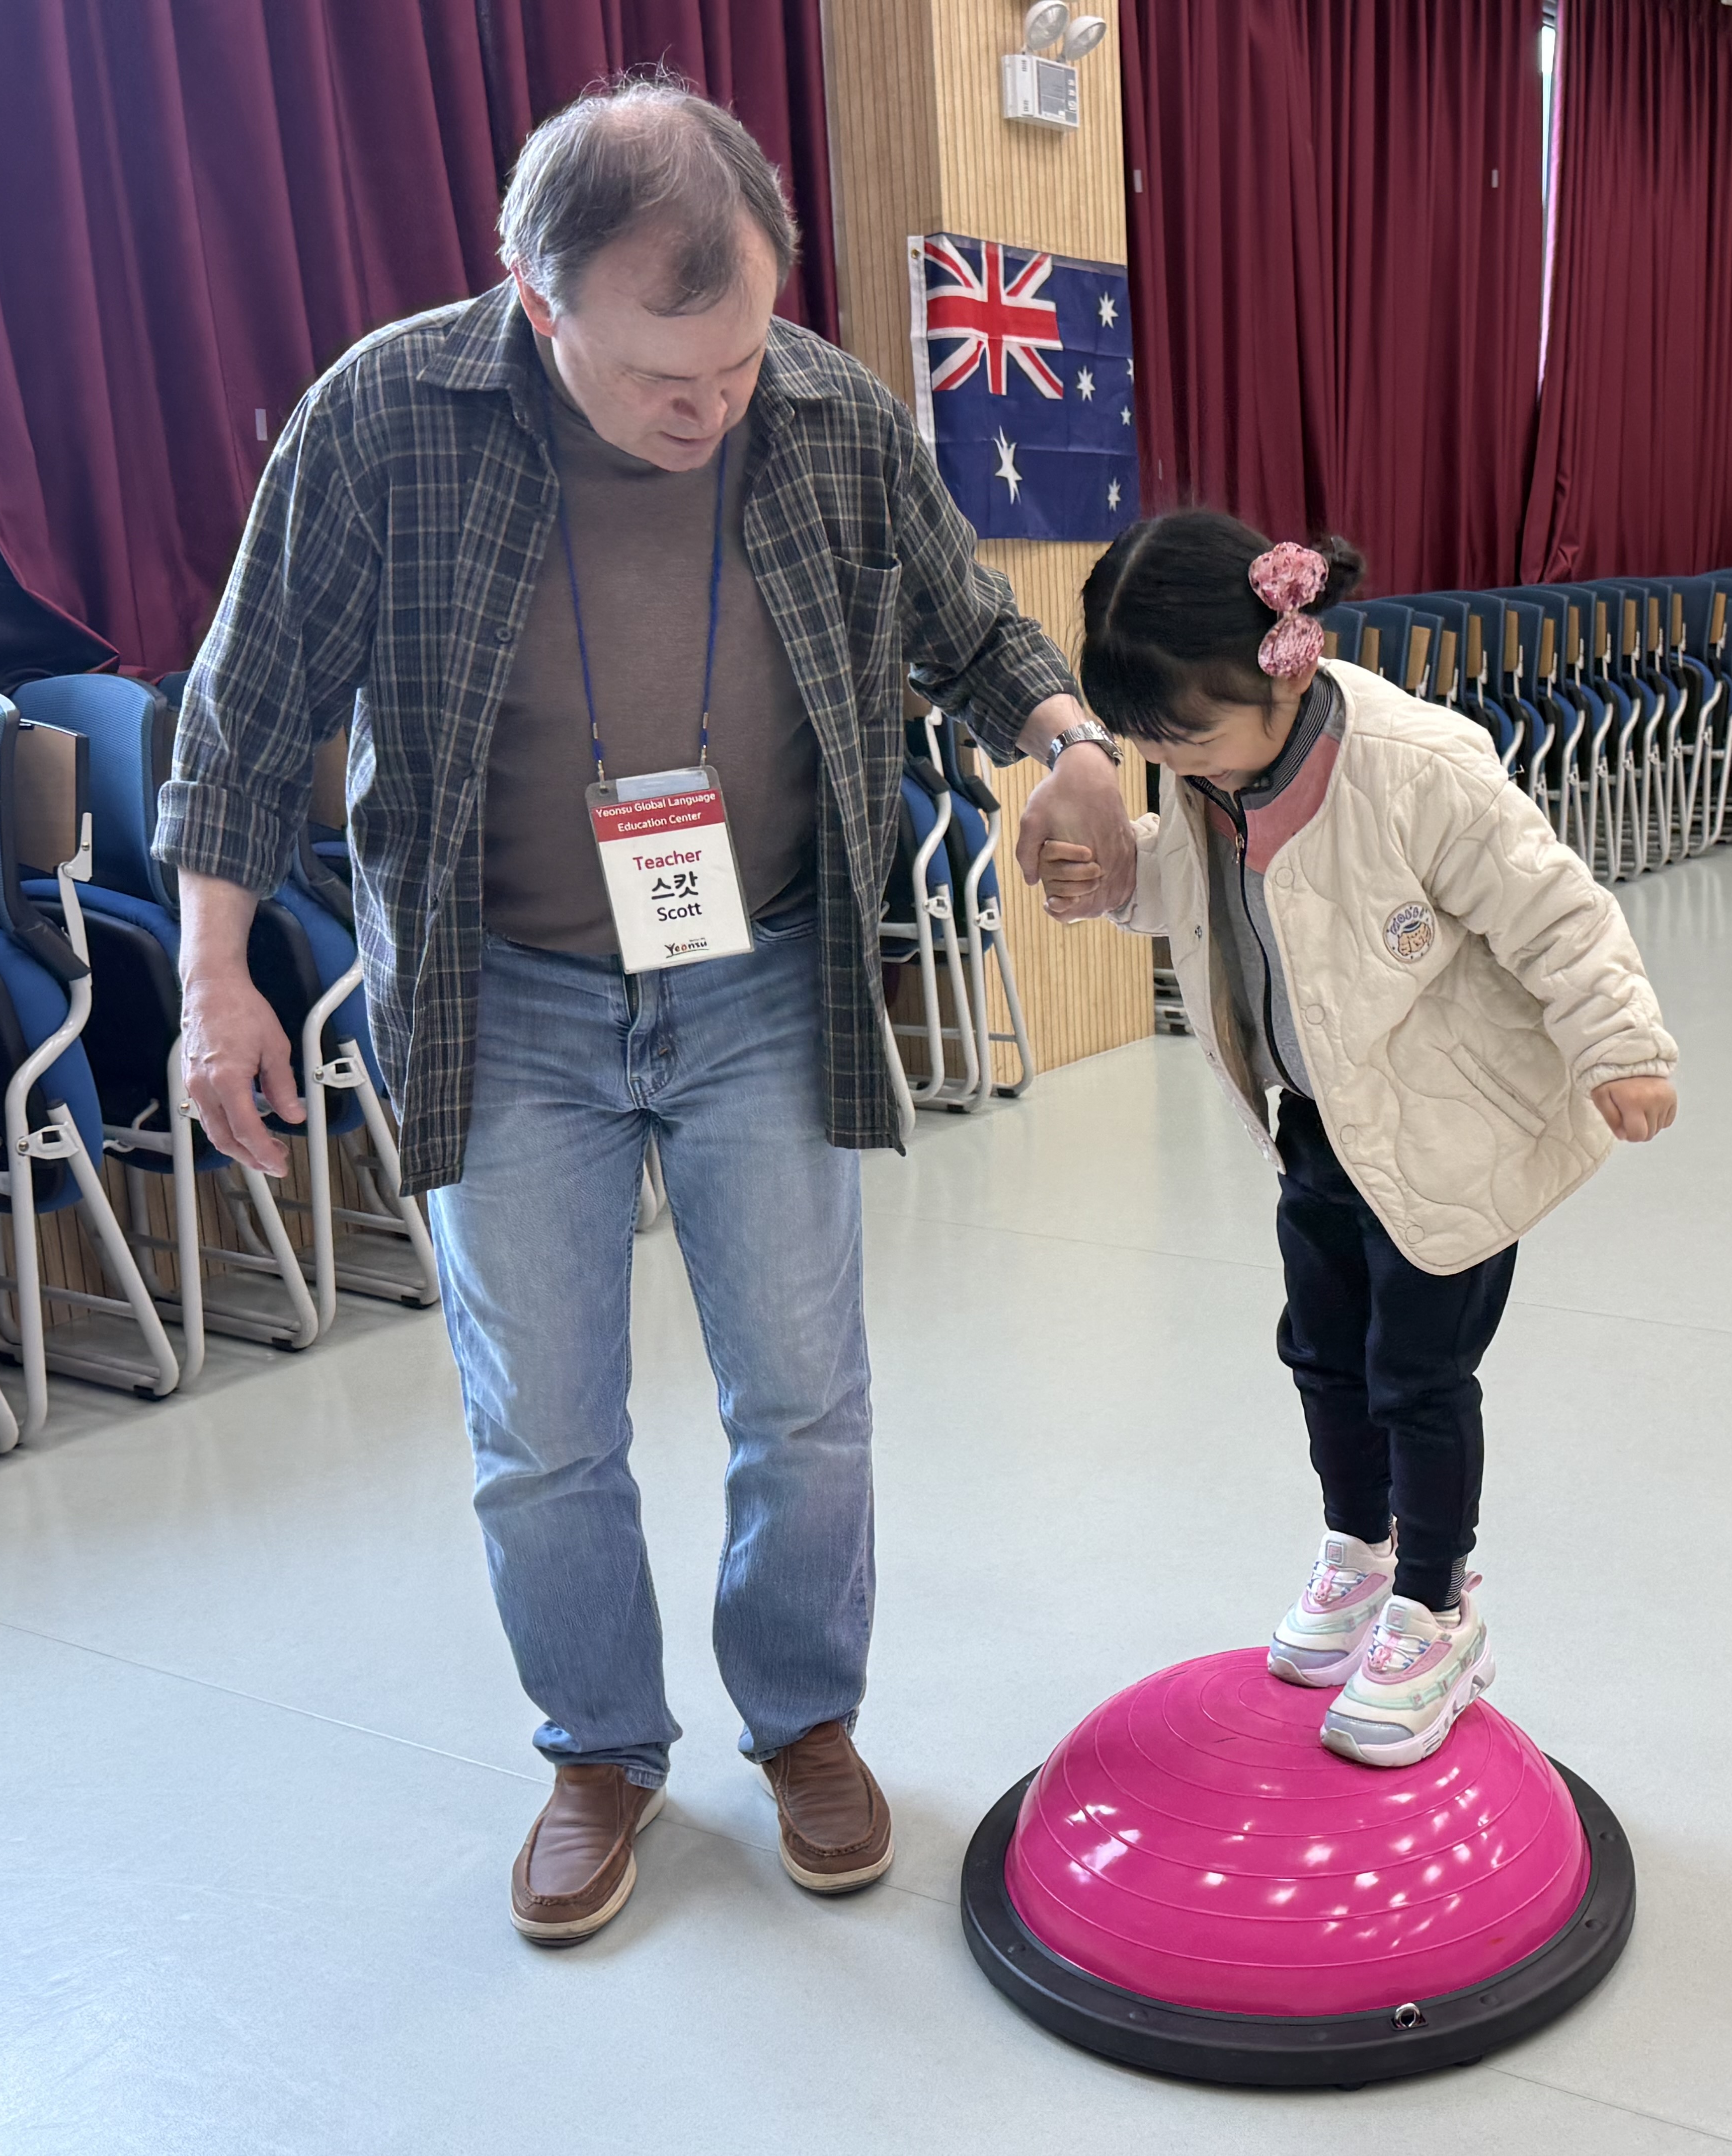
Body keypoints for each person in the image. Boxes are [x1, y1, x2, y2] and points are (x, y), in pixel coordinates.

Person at [155, 79, 1140, 1945]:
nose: (712, 409)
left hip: (764, 969)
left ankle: (806, 1720)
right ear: (538, 308)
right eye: (660, 379)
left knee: (806, 1398)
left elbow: (974, 627)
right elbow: (246, 710)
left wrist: (1071, 746)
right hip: (499, 989)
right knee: (541, 1423)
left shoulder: (832, 415)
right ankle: (595, 1748)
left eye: (741, 358)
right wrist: (215, 978)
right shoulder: (384, 420)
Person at [1038, 513, 1679, 1768]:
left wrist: (1624, 1046)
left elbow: (1557, 910)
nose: (1182, 765)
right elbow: (1224, 895)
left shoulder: (1417, 765)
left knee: (1418, 1380)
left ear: (1279, 666)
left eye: (1192, 740)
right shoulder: (1217, 768)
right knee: (1321, 1354)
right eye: (1156, 747)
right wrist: (1121, 877)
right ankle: (1359, 1551)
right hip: (1317, 1126)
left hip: (1448, 1130)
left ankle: (1438, 1608)